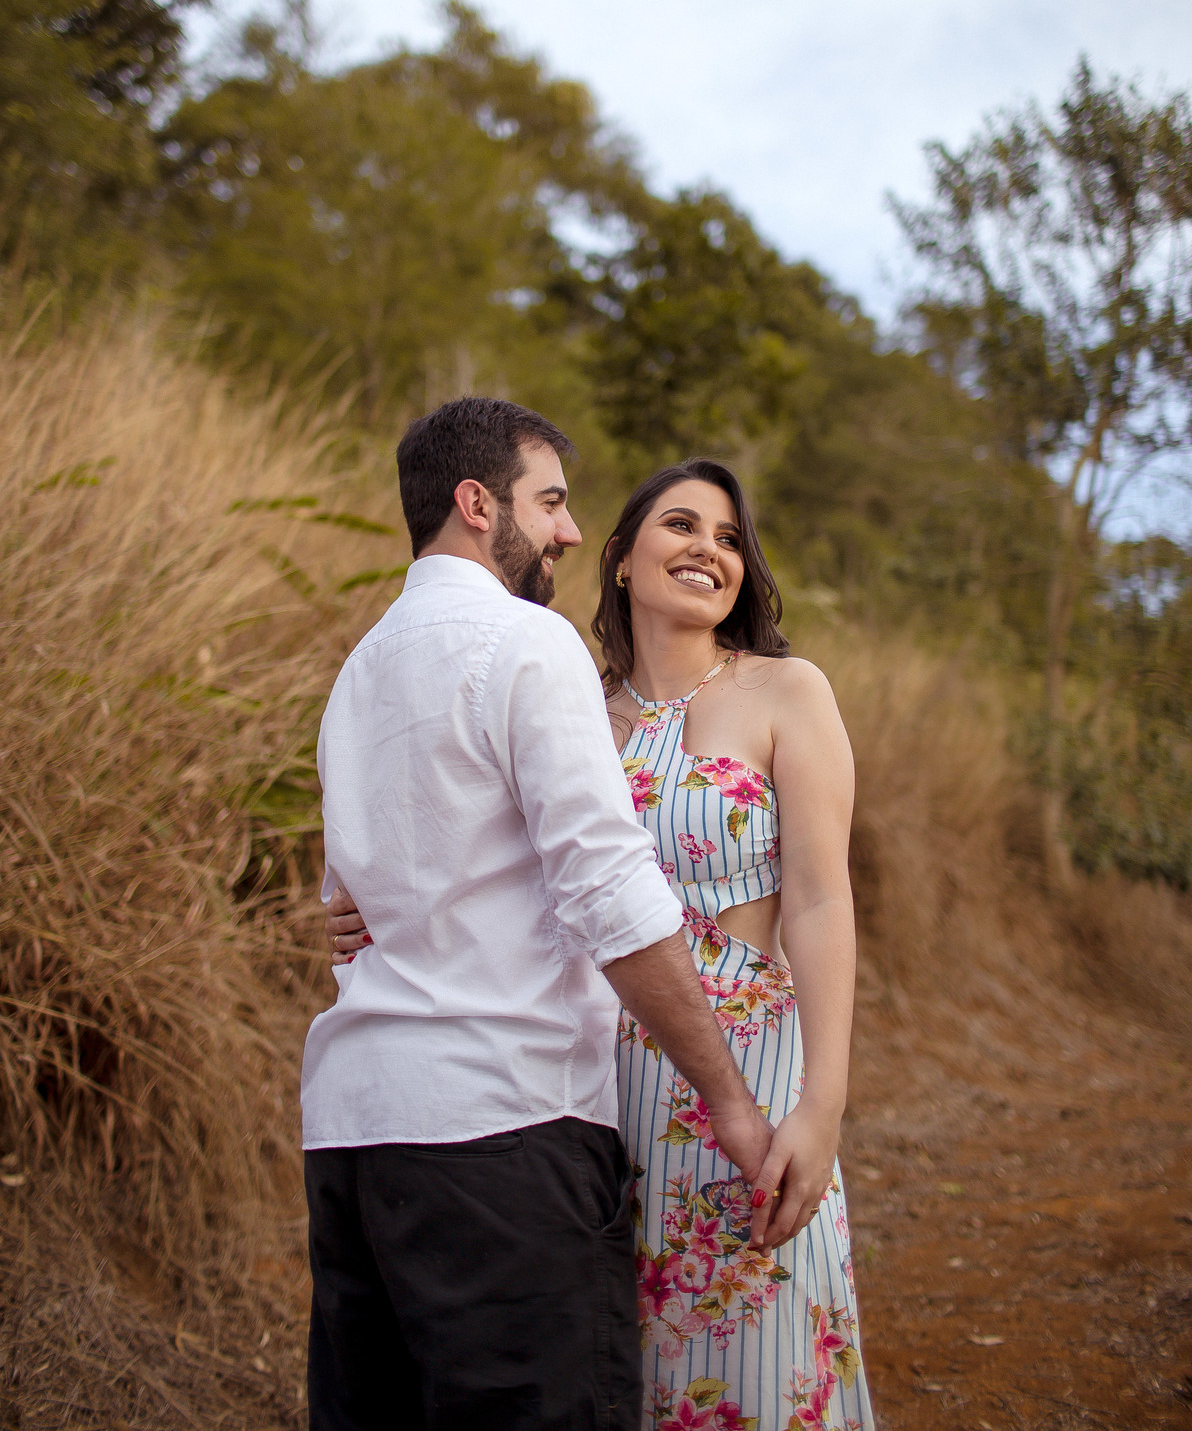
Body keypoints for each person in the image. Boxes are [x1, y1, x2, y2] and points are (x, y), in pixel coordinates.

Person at [330, 456, 876, 1431]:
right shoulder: (567, 699)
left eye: (728, 537)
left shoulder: (789, 692)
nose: (710, 547)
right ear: (620, 560)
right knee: (610, 1362)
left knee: (755, 1347)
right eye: (681, 524)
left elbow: (823, 903)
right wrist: (358, 903)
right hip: (582, 1082)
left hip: (741, 1071)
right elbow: (460, 848)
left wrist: (823, 1107)